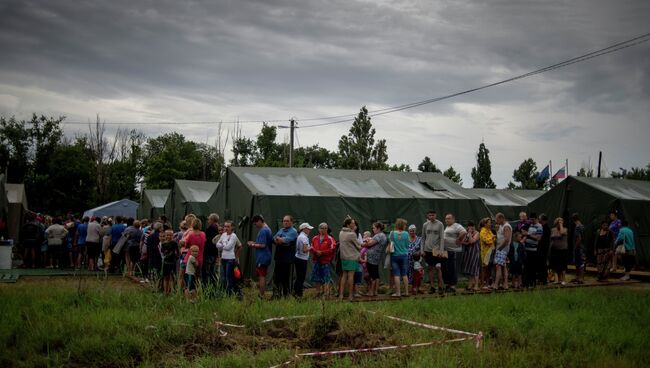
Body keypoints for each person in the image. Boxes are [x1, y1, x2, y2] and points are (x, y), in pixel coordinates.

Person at [248, 215, 273, 298]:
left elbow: (262, 245)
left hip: (263, 257)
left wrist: (252, 244)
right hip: (265, 256)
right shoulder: (267, 229)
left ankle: (261, 295)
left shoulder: (263, 230)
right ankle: (261, 293)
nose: (255, 226)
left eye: (255, 224)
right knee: (261, 275)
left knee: (262, 276)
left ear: (259, 221)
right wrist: (255, 242)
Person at [273, 215, 298, 298]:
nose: (285, 222)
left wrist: (280, 239)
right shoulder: (281, 230)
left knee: (285, 278)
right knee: (277, 277)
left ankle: (286, 295)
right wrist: (280, 240)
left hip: (287, 259)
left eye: (287, 221)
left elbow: (285, 240)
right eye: (284, 221)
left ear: (291, 222)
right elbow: (274, 239)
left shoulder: (293, 231)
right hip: (279, 258)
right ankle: (276, 295)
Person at [420, 210, 444, 294]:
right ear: (428, 216)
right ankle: (432, 287)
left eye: (433, 215)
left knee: (438, 268)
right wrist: (422, 249)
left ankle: (441, 286)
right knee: (430, 268)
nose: (431, 217)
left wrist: (441, 250)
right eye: (430, 215)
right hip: (427, 250)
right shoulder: (425, 225)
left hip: (436, 250)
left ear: (435, 215)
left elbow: (441, 238)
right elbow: (423, 237)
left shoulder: (440, 224)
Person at [338, 217, 362, 301]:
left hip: (343, 257)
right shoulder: (352, 234)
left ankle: (341, 295)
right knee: (351, 276)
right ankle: (350, 295)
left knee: (344, 275)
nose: (354, 224)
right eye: (353, 223)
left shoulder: (341, 232)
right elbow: (359, 246)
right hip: (351, 257)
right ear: (348, 225)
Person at [310, 222, 336, 297]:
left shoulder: (330, 239)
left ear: (327, 229)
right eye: (321, 228)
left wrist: (322, 253)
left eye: (325, 228)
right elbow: (311, 248)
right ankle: (318, 292)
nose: (323, 230)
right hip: (316, 260)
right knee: (316, 277)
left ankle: (326, 293)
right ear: (318, 229)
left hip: (325, 261)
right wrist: (316, 252)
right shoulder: (315, 238)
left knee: (326, 277)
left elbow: (332, 249)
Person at [442, 214, 466, 293]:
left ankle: (453, 286)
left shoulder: (457, 226)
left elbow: (464, 232)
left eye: (449, 218)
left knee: (452, 268)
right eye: (446, 219)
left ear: (453, 219)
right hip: (446, 250)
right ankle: (449, 284)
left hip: (453, 250)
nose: (447, 220)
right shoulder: (447, 227)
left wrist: (459, 239)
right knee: (447, 268)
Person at [214, 220, 239, 295]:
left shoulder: (234, 236)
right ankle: (223, 292)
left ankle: (229, 293)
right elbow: (217, 244)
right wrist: (224, 244)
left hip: (230, 259)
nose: (226, 228)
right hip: (223, 258)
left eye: (228, 226)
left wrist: (223, 244)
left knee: (229, 276)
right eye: (225, 226)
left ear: (232, 227)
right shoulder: (224, 234)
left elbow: (228, 247)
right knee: (223, 276)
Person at [363, 222, 387, 297]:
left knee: (372, 276)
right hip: (376, 257)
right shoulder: (383, 235)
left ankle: (371, 292)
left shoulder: (378, 236)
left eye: (374, 228)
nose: (373, 229)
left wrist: (363, 243)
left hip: (372, 257)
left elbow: (369, 244)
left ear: (378, 228)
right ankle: (375, 291)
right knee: (375, 275)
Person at [388, 218, 411, 297]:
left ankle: (398, 293)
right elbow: (408, 245)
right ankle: (407, 292)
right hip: (404, 255)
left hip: (395, 256)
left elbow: (390, 244)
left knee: (396, 275)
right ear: (402, 225)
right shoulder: (406, 234)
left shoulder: (392, 233)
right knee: (404, 274)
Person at [522, 213, 542, 287]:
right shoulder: (530, 225)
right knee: (527, 267)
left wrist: (528, 234)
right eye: (530, 219)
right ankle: (527, 283)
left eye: (532, 219)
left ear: (536, 218)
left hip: (533, 250)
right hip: (527, 249)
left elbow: (538, 238)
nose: (531, 221)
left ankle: (533, 283)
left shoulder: (539, 226)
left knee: (532, 267)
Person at [493, 213, 513, 290]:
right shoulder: (501, 226)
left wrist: (499, 249)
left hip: (502, 249)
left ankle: (496, 285)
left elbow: (507, 240)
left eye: (497, 219)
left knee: (498, 266)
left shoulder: (506, 226)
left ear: (501, 218)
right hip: (501, 249)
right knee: (503, 267)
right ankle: (505, 285)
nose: (496, 221)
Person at [293, 223, 313, 298]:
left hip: (298, 258)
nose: (309, 230)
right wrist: (311, 247)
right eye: (308, 229)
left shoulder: (300, 236)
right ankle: (299, 295)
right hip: (302, 259)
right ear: (304, 229)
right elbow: (305, 250)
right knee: (301, 278)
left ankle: (295, 292)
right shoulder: (304, 238)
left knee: (298, 277)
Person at [461, 221, 480, 291]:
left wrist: (469, 235)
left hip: (474, 253)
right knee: (469, 269)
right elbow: (462, 242)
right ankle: (470, 285)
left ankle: (476, 285)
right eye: (469, 226)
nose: (471, 228)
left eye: (472, 226)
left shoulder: (477, 233)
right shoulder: (466, 233)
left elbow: (472, 241)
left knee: (475, 269)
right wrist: (467, 238)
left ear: (474, 227)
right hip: (468, 253)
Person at [549, 217, 569, 285]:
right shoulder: (553, 230)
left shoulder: (565, 229)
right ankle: (558, 280)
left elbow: (562, 232)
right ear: (556, 223)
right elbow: (551, 239)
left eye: (561, 222)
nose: (560, 224)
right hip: (555, 250)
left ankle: (563, 280)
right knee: (556, 265)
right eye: (558, 222)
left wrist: (561, 225)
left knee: (563, 266)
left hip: (563, 250)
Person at [202, 213, 220, 286]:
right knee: (212, 271)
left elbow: (207, 240)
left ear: (212, 220)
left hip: (209, 253)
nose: (208, 221)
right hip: (214, 253)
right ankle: (214, 287)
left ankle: (207, 289)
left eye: (209, 219)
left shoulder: (211, 228)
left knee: (207, 272)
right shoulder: (218, 228)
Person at [479, 217, 495, 289]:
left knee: (489, 268)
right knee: (484, 268)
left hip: (491, 250)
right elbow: (487, 241)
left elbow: (494, 239)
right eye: (489, 223)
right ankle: (483, 284)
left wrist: (493, 237)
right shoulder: (483, 231)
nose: (490, 224)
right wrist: (493, 237)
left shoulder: (489, 230)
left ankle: (488, 284)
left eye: (490, 222)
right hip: (486, 252)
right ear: (485, 224)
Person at [161, 229, 179, 295]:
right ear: (165, 235)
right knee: (165, 277)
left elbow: (178, 252)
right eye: (167, 235)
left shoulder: (174, 243)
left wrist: (176, 257)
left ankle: (171, 291)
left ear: (173, 235)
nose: (169, 236)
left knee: (172, 277)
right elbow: (162, 252)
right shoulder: (163, 244)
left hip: (173, 262)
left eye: (171, 235)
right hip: (166, 262)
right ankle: (165, 291)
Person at [571, 214, 585, 284]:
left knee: (580, 263)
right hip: (581, 246)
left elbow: (579, 238)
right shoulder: (582, 226)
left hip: (579, 247)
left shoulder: (577, 227)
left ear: (573, 220)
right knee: (577, 263)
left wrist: (576, 247)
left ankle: (581, 278)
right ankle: (577, 277)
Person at [406, 224, 422, 289]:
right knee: (407, 272)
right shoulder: (406, 239)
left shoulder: (419, 239)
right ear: (408, 231)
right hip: (407, 259)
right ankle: (408, 287)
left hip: (416, 259)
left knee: (417, 273)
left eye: (413, 231)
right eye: (410, 231)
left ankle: (418, 287)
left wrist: (419, 252)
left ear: (415, 231)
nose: (412, 232)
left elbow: (422, 248)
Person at [538, 214, 551, 285]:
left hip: (543, 249)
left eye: (539, 218)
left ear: (542, 220)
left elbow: (543, 239)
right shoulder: (542, 227)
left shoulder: (546, 228)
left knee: (543, 264)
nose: (538, 219)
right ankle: (540, 278)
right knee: (540, 264)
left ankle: (543, 279)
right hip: (541, 248)